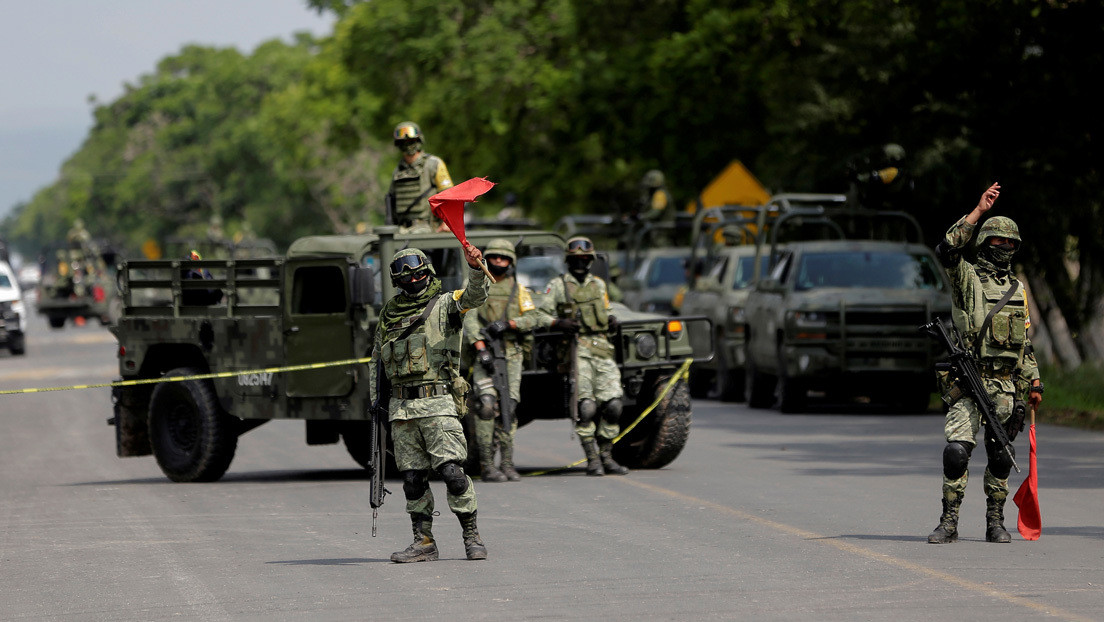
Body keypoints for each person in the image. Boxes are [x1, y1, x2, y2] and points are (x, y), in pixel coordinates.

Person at [927, 182, 1044, 544]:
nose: (1005, 247)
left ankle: (996, 520)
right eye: (997, 241)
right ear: (983, 243)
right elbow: (946, 249)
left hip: (1006, 386)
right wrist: (978, 212)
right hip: (970, 380)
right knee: (956, 452)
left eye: (1011, 243)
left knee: (1001, 456)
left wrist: (1034, 383)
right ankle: (949, 521)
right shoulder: (967, 279)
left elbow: (1024, 345)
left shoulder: (1019, 290)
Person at [370, 244, 489, 562]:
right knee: (412, 480)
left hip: (437, 405)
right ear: (397, 281)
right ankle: (423, 542)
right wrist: (377, 404)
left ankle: (471, 535)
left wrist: (475, 268)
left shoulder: (446, 304)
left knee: (452, 472)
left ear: (429, 271)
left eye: (419, 272)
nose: (414, 279)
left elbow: (475, 297)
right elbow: (378, 362)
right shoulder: (390, 314)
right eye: (406, 276)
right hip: (401, 409)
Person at [538, 236, 629, 476]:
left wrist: (611, 319)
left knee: (614, 405)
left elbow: (607, 309)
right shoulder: (558, 285)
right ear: (568, 261)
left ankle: (607, 455)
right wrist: (558, 322)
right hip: (577, 349)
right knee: (586, 407)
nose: (580, 263)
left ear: (590, 261)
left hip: (602, 348)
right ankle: (593, 459)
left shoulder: (598, 285)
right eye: (576, 259)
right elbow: (539, 315)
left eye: (585, 259)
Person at [464, 239, 552, 482]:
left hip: (511, 354)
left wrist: (511, 324)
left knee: (508, 408)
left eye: (504, 258)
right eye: (494, 257)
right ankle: (486, 465)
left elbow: (534, 318)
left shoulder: (519, 290)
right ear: (487, 259)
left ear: (511, 262)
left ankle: (507, 462)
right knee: (486, 406)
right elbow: (467, 316)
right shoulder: (476, 285)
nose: (499, 262)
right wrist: (479, 346)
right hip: (486, 353)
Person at [385, 121, 454, 232]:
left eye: (411, 140)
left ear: (418, 140)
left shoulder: (433, 164)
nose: (407, 144)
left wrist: (447, 223)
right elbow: (392, 201)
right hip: (402, 228)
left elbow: (449, 196)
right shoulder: (398, 171)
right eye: (403, 141)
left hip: (427, 227)